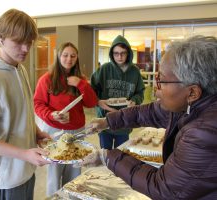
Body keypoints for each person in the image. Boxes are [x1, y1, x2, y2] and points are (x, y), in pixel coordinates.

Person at [82, 35, 217, 199]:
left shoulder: (204, 133)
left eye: (161, 81)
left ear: (193, 92)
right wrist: (107, 121)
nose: (155, 88)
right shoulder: (192, 103)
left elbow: (163, 188)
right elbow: (150, 112)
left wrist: (107, 157)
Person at [0, 9, 51, 200]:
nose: (25, 49)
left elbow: (20, 113)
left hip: (25, 170)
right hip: (3, 178)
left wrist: (35, 131)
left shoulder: (18, 68)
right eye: (18, 42)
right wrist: (24, 154)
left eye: (29, 42)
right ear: (0, 39)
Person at [34, 42, 98, 196]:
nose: (69, 59)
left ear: (76, 58)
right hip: (54, 131)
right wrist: (51, 115)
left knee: (75, 171)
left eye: (73, 56)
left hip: (77, 132)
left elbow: (91, 102)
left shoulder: (79, 79)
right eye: (65, 55)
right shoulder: (46, 79)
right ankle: (54, 197)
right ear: (59, 56)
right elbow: (38, 104)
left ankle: (71, 197)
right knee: (55, 172)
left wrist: (80, 84)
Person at [90, 35, 145, 150]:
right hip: (104, 120)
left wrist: (135, 100)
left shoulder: (134, 72)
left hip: (124, 122)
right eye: (116, 53)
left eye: (123, 53)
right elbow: (91, 90)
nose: (119, 56)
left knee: (121, 155)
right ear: (112, 54)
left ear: (128, 53)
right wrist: (98, 101)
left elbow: (140, 92)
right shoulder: (104, 69)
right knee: (106, 154)